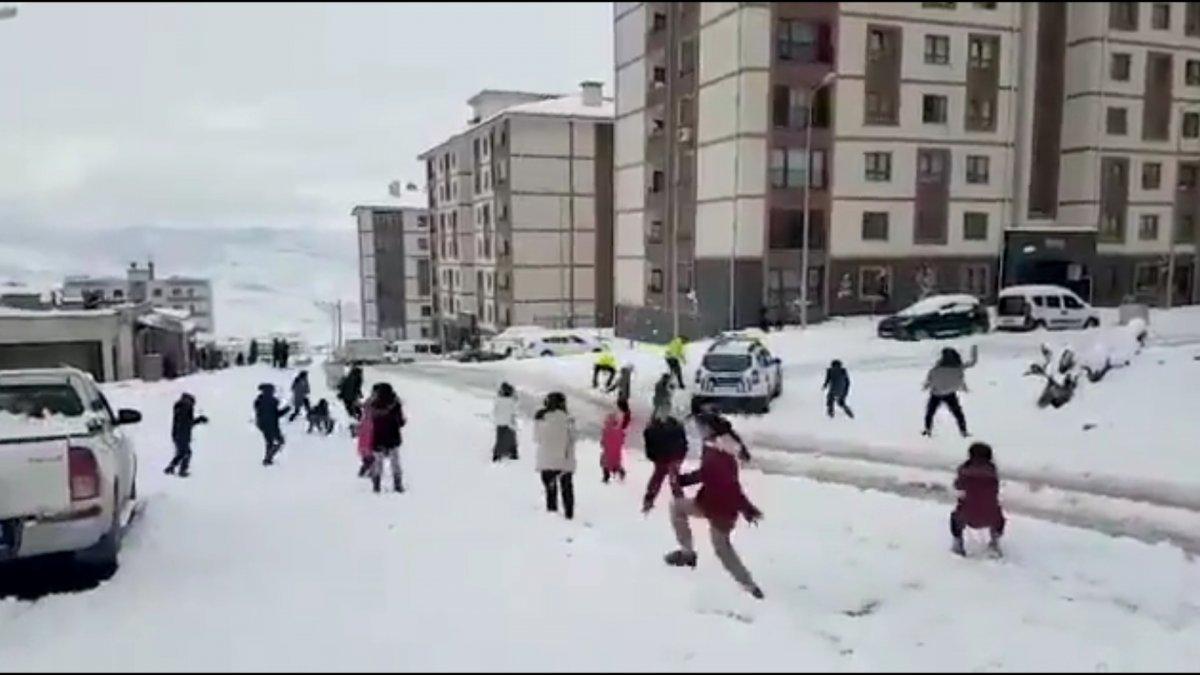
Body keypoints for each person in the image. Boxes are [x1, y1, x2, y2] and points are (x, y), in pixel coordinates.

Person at [664, 414, 764, 600]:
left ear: (708, 429)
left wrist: (746, 508)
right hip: (707, 503)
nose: (697, 431)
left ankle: (750, 586)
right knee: (677, 507)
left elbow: (731, 487)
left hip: (722, 511)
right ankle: (687, 554)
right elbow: (706, 474)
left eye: (699, 427)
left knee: (722, 549)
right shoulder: (716, 447)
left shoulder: (718, 454)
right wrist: (683, 480)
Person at [950, 442, 1005, 557]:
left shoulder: (964, 471)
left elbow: (958, 486)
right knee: (998, 514)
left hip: (968, 515)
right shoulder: (992, 472)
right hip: (991, 516)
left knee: (955, 517)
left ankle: (958, 545)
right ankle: (994, 542)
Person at [534, 392, 577, 520]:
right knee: (567, 488)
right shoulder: (568, 419)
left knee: (550, 490)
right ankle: (569, 514)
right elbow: (573, 438)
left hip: (546, 460)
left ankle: (552, 515)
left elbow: (536, 438)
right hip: (564, 461)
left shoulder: (541, 417)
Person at [922, 345, 977, 437]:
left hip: (936, 393)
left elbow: (930, 380)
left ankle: (928, 430)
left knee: (930, 412)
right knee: (958, 413)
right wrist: (974, 349)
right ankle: (963, 431)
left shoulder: (936, 369)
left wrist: (926, 386)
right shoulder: (958, 368)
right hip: (950, 394)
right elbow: (972, 363)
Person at [642, 413, 689, 513]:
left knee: (658, 477)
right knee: (673, 479)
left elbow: (649, 447)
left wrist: (653, 457)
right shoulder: (676, 426)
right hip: (673, 457)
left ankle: (649, 498)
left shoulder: (651, 429)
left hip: (663, 458)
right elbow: (684, 443)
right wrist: (682, 454)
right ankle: (680, 501)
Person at [366, 382, 407, 494]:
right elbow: (400, 421)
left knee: (378, 462)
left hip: (378, 437)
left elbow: (368, 420)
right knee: (395, 462)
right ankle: (398, 484)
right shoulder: (395, 404)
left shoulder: (373, 405)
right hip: (393, 436)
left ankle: (376, 485)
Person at [164, 393, 208, 477]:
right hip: (182, 434)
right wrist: (199, 420)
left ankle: (170, 468)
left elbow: (187, 422)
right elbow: (187, 423)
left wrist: (198, 420)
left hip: (177, 433)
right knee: (186, 453)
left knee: (182, 453)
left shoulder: (180, 407)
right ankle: (182, 470)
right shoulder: (186, 407)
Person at [254, 383, 290, 466]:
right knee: (280, 441)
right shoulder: (273, 401)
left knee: (269, 442)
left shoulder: (258, 401)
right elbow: (276, 414)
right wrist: (286, 409)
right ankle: (268, 458)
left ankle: (268, 459)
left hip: (262, 425)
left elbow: (261, 413)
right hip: (272, 425)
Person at [492, 382, 519, 462]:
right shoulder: (511, 401)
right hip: (509, 422)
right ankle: (512, 453)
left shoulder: (498, 400)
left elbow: (495, 411)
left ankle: (497, 454)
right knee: (511, 438)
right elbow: (514, 412)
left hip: (500, 422)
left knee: (500, 439)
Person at [599, 410, 627, 483]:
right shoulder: (619, 430)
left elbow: (602, 442)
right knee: (616, 464)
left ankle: (606, 476)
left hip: (607, 452)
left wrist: (604, 444)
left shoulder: (606, 430)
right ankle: (620, 472)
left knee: (605, 463)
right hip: (616, 452)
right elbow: (622, 441)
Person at [608, 364, 634, 428]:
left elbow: (616, 385)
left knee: (621, 405)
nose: (620, 372)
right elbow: (617, 384)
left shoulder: (624, 378)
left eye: (622, 371)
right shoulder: (625, 377)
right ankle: (626, 417)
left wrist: (610, 389)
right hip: (624, 394)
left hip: (623, 394)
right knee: (622, 405)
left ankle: (625, 420)